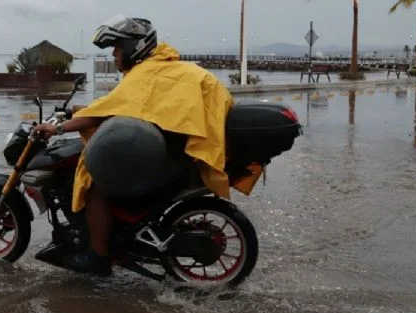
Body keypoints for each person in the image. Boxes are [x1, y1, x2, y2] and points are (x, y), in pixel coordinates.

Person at [31, 15, 262, 276]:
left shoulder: (149, 73)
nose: (115, 55)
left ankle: (97, 257)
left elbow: (114, 110)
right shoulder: (167, 69)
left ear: (134, 47)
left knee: (94, 185)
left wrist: (57, 128)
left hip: (174, 157)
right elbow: (137, 109)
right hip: (185, 151)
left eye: (117, 48)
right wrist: (87, 110)